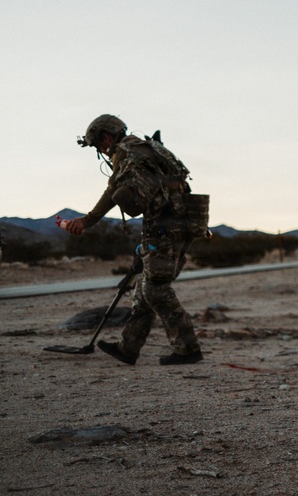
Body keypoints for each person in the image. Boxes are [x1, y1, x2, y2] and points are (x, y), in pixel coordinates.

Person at [65, 114, 208, 366]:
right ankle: (128, 348)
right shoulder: (143, 148)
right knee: (144, 291)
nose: (101, 150)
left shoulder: (127, 153)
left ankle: (187, 348)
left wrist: (88, 220)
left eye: (98, 145)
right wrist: (88, 221)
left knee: (156, 289)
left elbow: (119, 194)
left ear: (106, 137)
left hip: (166, 227)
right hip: (176, 223)